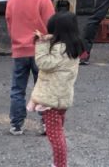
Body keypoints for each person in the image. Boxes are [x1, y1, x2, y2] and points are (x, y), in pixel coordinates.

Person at [6, 0, 54, 134]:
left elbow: (10, 23)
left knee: (18, 88)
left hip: (19, 50)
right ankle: (46, 123)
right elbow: (51, 24)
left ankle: (16, 124)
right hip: (40, 49)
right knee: (43, 87)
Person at [30, 10, 82, 167]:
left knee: (55, 135)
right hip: (61, 97)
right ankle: (60, 163)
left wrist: (40, 44)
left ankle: (60, 164)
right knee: (58, 132)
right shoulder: (72, 46)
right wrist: (47, 39)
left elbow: (43, 63)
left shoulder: (60, 50)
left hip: (52, 99)